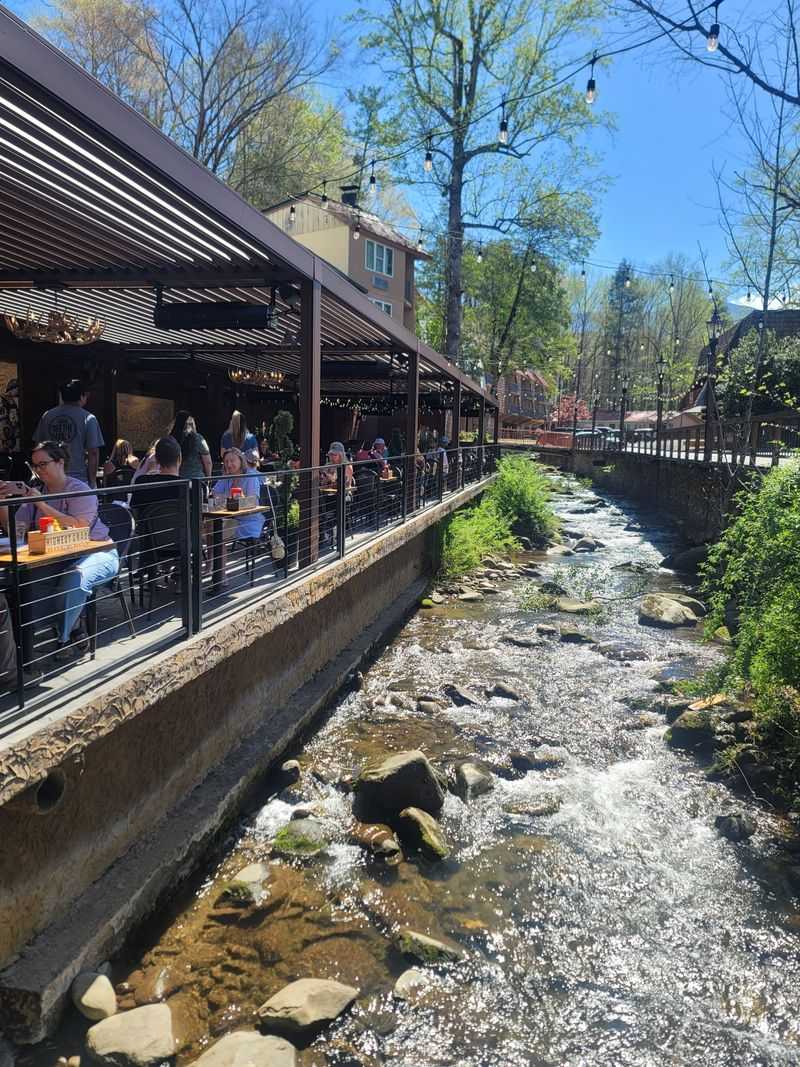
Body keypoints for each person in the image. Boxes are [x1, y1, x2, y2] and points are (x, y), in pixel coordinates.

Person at [0, 441, 118, 662]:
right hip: (57, 557)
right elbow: (16, 528)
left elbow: (80, 527)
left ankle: (63, 637)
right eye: (34, 466)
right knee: (24, 580)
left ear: (60, 462)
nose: (38, 470)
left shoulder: (80, 490)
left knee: (74, 577)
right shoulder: (37, 492)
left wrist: (40, 502)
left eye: (43, 464)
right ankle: (52, 633)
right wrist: (2, 503)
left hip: (99, 551)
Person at [34, 379, 105, 487]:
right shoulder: (88, 418)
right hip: (78, 479)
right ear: (82, 396)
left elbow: (38, 446)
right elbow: (93, 453)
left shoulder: (47, 416)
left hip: (50, 477)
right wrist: (92, 481)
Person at [212, 448, 265, 542]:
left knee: (216, 534)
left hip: (248, 523)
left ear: (241, 460)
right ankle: (215, 556)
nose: (228, 464)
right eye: (226, 461)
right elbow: (214, 493)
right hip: (231, 520)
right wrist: (231, 500)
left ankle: (217, 556)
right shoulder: (227, 476)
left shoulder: (250, 476)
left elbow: (253, 501)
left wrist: (226, 499)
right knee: (211, 529)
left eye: (232, 461)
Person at [130, 437, 183, 507]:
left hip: (150, 518)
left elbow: (134, 509)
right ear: (179, 459)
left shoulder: (142, 483)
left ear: (156, 459)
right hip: (180, 518)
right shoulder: (191, 487)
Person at [169, 411, 211, 481]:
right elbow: (208, 462)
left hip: (178, 480)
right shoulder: (198, 438)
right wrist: (208, 479)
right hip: (197, 480)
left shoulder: (171, 439)